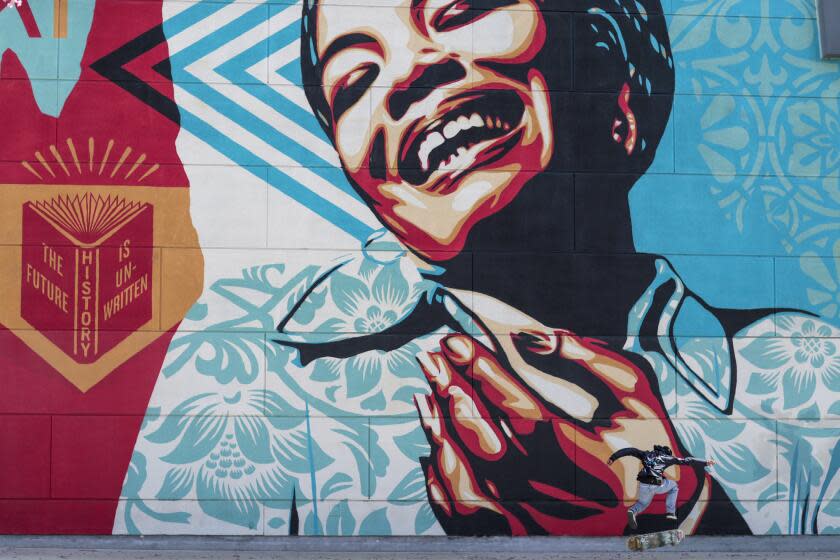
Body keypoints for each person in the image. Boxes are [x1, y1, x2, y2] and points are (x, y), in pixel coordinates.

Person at [118, 0, 840, 536]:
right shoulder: (252, 359)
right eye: (355, 80)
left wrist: (665, 507)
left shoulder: (803, 373)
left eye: (461, 11)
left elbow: (653, 518)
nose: (409, 74)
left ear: (613, 83)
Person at [608, 445, 715, 529]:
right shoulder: (666, 457)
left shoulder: (646, 454)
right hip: (655, 483)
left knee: (642, 503)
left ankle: (632, 510)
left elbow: (630, 450)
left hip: (643, 483)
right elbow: (687, 460)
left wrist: (613, 458)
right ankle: (670, 512)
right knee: (674, 487)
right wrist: (705, 462)